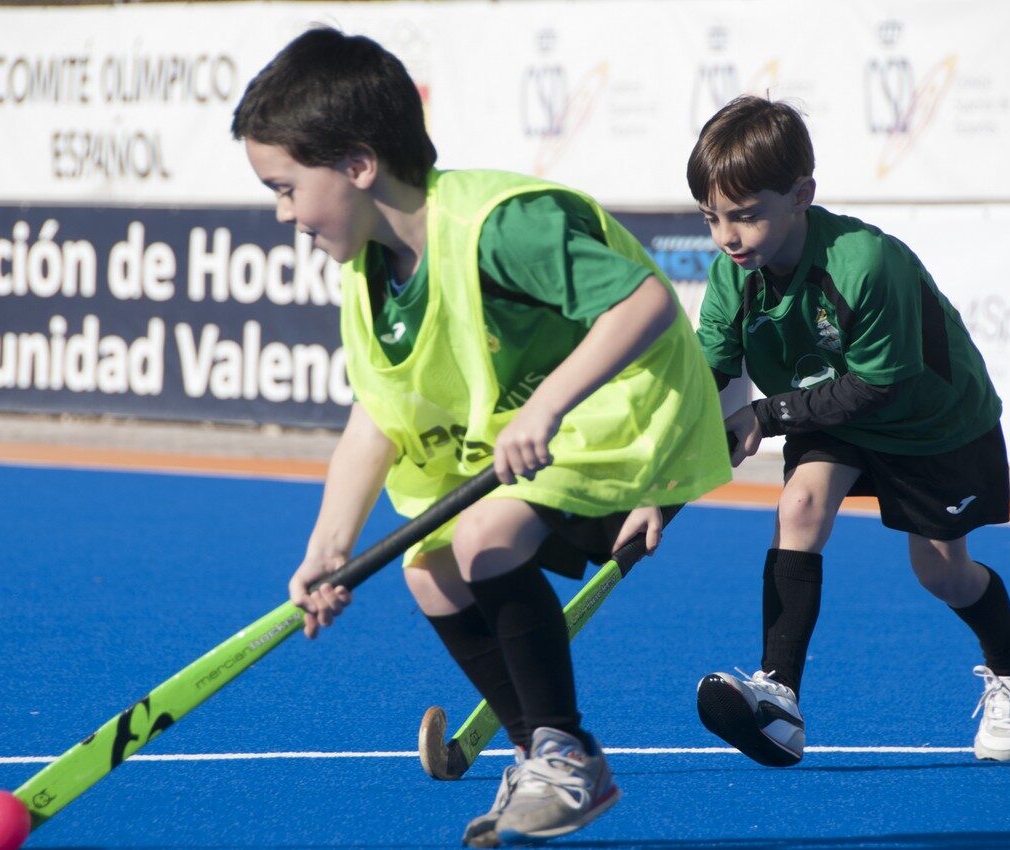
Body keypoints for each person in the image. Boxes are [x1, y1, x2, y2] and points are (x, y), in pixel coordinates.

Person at [231, 28, 731, 847]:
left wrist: (549, 408)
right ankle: (549, 754)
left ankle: (564, 753)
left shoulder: (501, 226)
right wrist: (329, 547)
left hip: (628, 416)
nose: (284, 214)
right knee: (429, 573)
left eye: (286, 188)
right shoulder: (369, 274)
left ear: (358, 165)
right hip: (532, 438)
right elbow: (377, 419)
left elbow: (645, 304)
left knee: (488, 538)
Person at [687, 95, 1010, 768]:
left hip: (931, 421)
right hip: (833, 410)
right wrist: (665, 458)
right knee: (799, 506)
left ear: (802, 195)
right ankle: (779, 699)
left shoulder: (866, 263)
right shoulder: (731, 278)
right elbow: (708, 375)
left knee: (941, 573)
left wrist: (763, 417)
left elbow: (877, 385)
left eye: (745, 215)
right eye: (712, 218)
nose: (727, 237)